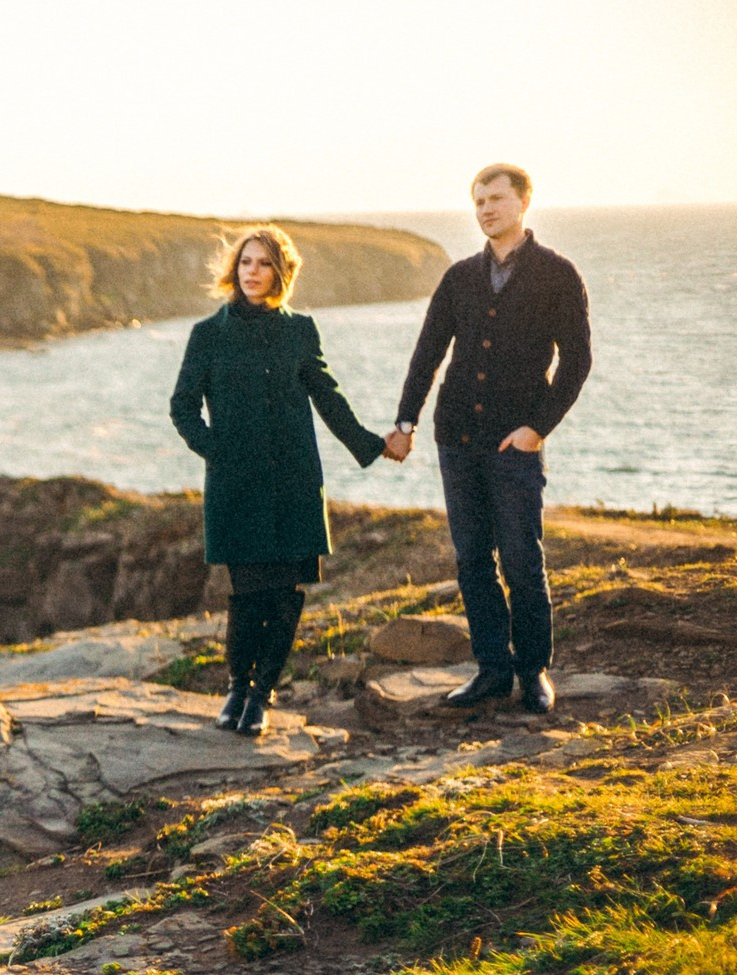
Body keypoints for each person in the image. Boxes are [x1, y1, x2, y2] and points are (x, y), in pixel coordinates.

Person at [170, 225, 402, 737]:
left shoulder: (301, 331)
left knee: (287, 593)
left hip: (295, 481)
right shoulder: (208, 334)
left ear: (282, 272)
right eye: (246, 262)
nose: (253, 272)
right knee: (248, 593)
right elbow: (182, 407)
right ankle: (237, 687)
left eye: (265, 263)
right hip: (237, 486)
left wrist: (373, 444)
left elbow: (328, 397)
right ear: (235, 269)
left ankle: (262, 693)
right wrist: (218, 453)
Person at [386, 164, 592, 714]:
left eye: (496, 199)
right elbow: (428, 354)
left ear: (523, 202)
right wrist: (405, 424)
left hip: (514, 444)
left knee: (522, 558)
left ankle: (533, 671)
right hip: (456, 440)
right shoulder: (459, 278)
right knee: (473, 559)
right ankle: (492, 671)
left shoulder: (557, 274)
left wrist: (537, 429)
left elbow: (577, 362)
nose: (485, 209)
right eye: (478, 201)